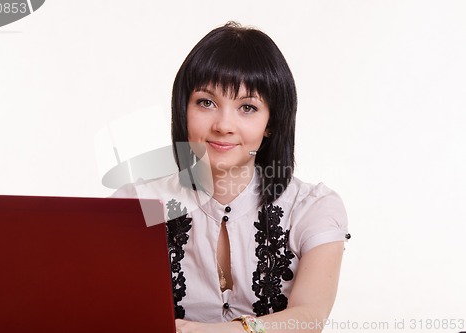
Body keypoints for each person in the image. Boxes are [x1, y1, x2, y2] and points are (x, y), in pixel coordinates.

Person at [113, 21, 349, 333]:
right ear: (182, 110)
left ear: (271, 123)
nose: (224, 125)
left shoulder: (313, 206)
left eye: (247, 107)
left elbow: (308, 319)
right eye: (206, 102)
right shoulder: (136, 205)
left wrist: (200, 331)